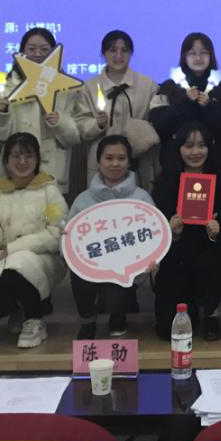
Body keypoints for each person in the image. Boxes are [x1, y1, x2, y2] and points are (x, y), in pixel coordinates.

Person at [0, 133, 67, 349]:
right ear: (6, 161)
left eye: (28, 155)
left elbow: (56, 234)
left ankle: (34, 318)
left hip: (44, 259)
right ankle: (20, 307)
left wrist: (13, 249)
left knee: (21, 261)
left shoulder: (49, 191)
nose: (22, 161)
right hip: (3, 261)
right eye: (16, 156)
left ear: (37, 159)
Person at [0, 27, 99, 194]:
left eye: (44, 49)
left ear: (54, 53)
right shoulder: (7, 87)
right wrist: (0, 113)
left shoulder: (67, 89)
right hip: (13, 175)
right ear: (22, 52)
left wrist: (60, 122)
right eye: (31, 49)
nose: (37, 54)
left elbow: (75, 136)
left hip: (52, 175)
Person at [151, 123, 221, 341]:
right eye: (188, 146)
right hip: (176, 256)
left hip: (210, 254)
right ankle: (189, 305)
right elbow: (153, 232)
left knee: (212, 263)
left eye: (201, 145)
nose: (195, 152)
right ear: (178, 148)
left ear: (210, 148)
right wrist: (172, 233)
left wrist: (217, 232)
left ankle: (210, 312)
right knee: (167, 331)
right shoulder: (165, 182)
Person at [65, 135, 154, 340]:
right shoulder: (83, 199)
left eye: (121, 158)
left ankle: (118, 315)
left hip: (126, 270)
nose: (115, 164)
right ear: (98, 162)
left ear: (129, 162)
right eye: (109, 158)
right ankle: (88, 320)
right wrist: (66, 244)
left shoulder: (142, 198)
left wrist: (150, 262)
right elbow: (69, 239)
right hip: (91, 267)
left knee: (116, 295)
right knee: (79, 274)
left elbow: (153, 237)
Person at [83, 30, 160, 191]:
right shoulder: (89, 87)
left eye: (124, 50)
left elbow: (158, 122)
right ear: (104, 53)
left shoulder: (148, 85)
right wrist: (97, 124)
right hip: (101, 161)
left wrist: (140, 132)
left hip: (138, 160)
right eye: (113, 50)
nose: (118, 55)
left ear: (131, 53)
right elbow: (80, 124)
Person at [149, 32, 221, 177]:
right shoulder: (169, 87)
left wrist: (209, 107)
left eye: (204, 53)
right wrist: (184, 103)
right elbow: (158, 123)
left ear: (211, 56)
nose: (198, 58)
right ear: (184, 56)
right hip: (175, 166)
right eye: (192, 53)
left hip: (215, 167)